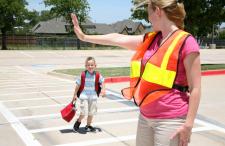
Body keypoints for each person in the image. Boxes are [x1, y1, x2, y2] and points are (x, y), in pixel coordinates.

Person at [71, 0, 201, 145]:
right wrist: (85, 37)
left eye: (149, 13)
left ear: (158, 11)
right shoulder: (151, 39)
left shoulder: (186, 41)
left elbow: (196, 88)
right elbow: (117, 38)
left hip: (170, 120)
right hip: (145, 117)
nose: (148, 18)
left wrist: (188, 125)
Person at [72, 56, 105, 132]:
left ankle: (88, 125)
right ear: (85, 66)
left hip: (93, 97)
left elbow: (103, 81)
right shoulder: (83, 75)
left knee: (91, 112)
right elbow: (78, 85)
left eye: (92, 65)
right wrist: (74, 95)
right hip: (84, 96)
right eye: (88, 65)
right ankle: (78, 122)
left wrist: (103, 90)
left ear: (95, 66)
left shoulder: (97, 75)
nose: (90, 66)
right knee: (84, 112)